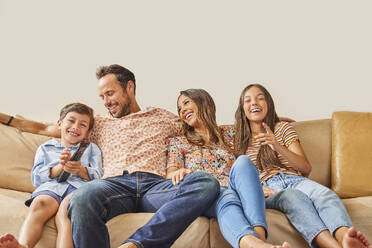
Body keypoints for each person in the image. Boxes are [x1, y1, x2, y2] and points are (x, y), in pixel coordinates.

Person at [0, 64, 220, 248]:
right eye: (102, 96)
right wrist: (7, 119)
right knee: (81, 198)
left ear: (129, 87)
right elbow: (43, 128)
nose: (106, 101)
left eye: (110, 93)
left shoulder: (162, 117)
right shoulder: (97, 124)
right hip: (114, 186)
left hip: (155, 186)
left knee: (206, 182)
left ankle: (136, 244)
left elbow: (200, 128)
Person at [233, 83, 371, 248]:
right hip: (266, 187)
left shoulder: (282, 128)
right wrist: (257, 189)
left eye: (260, 98)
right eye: (248, 100)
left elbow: (305, 168)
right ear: (242, 109)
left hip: (295, 180)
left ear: (268, 104)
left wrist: (277, 145)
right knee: (293, 197)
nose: (254, 103)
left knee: (325, 195)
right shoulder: (238, 140)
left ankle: (346, 239)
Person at [166, 88, 291, 248]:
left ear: (203, 102)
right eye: (179, 109)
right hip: (208, 192)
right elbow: (170, 174)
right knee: (227, 196)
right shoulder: (179, 142)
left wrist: (278, 122)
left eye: (186, 103)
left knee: (244, 162)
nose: (182, 110)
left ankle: (259, 238)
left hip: (235, 188)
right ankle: (260, 245)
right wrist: (178, 172)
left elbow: (255, 123)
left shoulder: (230, 133)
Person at [0, 103, 103, 248]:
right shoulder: (46, 148)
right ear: (60, 124)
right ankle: (23, 246)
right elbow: (36, 177)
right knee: (39, 205)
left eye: (82, 124)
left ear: (87, 133)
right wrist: (59, 168)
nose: (76, 127)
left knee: (67, 212)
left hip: (78, 189)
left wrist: (80, 170)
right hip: (52, 187)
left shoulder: (92, 149)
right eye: (71, 121)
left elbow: (98, 175)